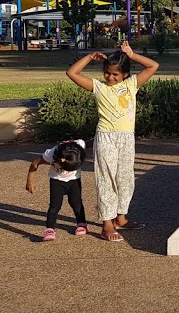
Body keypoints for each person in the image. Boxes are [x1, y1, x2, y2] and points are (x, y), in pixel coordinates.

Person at [66, 41, 159, 242]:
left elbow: (153, 66)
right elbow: (72, 73)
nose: (110, 77)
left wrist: (131, 54)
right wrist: (90, 58)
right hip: (106, 137)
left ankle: (121, 218)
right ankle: (107, 223)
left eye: (115, 74)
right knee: (106, 179)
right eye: (107, 73)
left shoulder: (131, 84)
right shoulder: (99, 88)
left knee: (125, 179)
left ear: (125, 74)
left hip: (126, 139)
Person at [25, 139, 89, 242]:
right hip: (57, 182)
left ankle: (82, 223)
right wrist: (30, 181)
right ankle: (50, 229)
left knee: (76, 203)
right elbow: (35, 163)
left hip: (74, 181)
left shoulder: (79, 146)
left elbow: (83, 142)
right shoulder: (50, 154)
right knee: (55, 206)